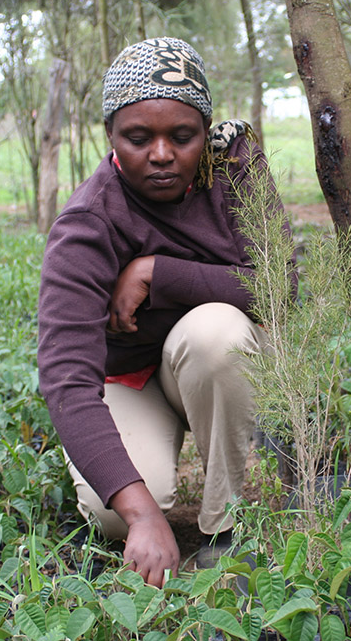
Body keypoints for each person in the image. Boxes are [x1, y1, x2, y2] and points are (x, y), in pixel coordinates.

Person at [37, 37, 286, 586]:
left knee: (216, 334)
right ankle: (143, 470)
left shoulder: (234, 173)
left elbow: (282, 289)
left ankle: (224, 529)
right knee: (112, 516)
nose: (162, 155)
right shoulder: (87, 224)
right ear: (111, 137)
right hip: (126, 379)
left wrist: (157, 271)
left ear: (205, 131)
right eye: (138, 137)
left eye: (182, 136)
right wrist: (144, 514)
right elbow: (66, 380)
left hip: (207, 363)